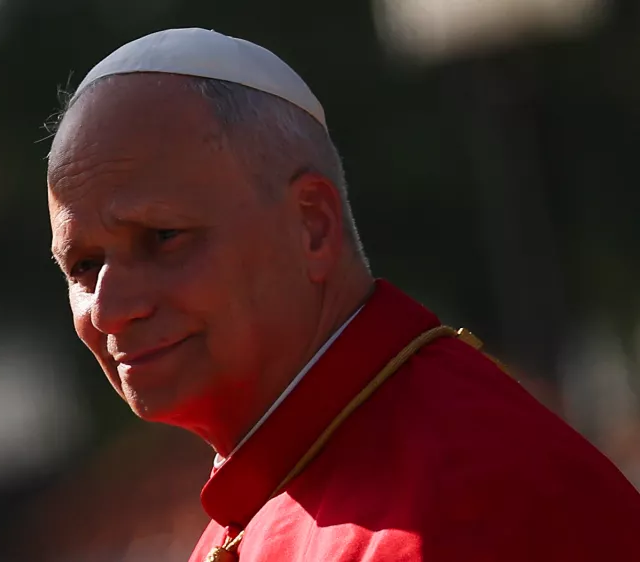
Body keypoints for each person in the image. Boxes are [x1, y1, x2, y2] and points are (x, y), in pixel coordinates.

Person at [44, 27, 640, 562]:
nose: (112, 307)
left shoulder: (454, 509)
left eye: (163, 237)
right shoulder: (264, 490)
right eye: (84, 265)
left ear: (314, 226)